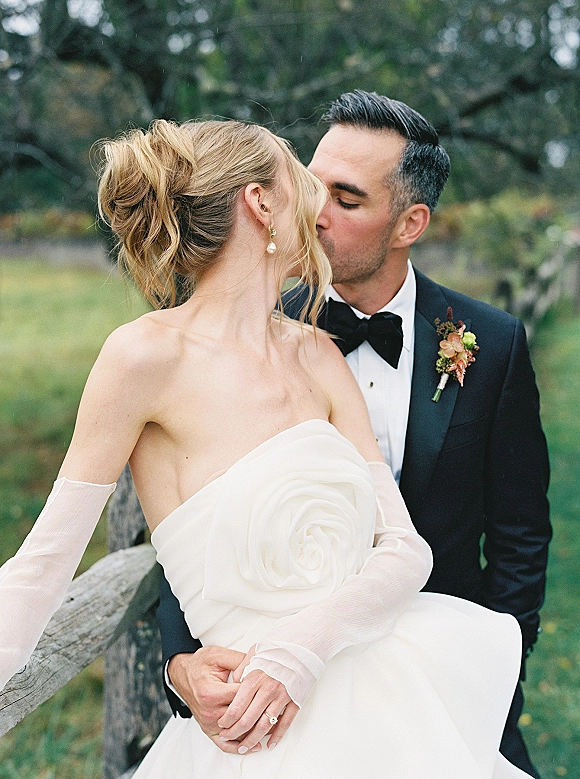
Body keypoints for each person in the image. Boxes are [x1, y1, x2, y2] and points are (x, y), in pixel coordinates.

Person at [0, 117, 533, 778]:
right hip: (253, 736)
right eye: (302, 177)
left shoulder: (316, 352)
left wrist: (306, 646)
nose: (317, 199)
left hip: (388, 700)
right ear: (260, 202)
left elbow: (405, 547)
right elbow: (42, 566)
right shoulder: (143, 356)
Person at [158, 93, 551, 778]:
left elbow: (520, 534)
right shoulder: (241, 333)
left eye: (347, 198)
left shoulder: (491, 343)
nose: (314, 212)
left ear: (410, 222)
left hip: (443, 690)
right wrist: (178, 664)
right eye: (311, 184)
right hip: (272, 711)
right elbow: (190, 520)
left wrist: (496, 673)